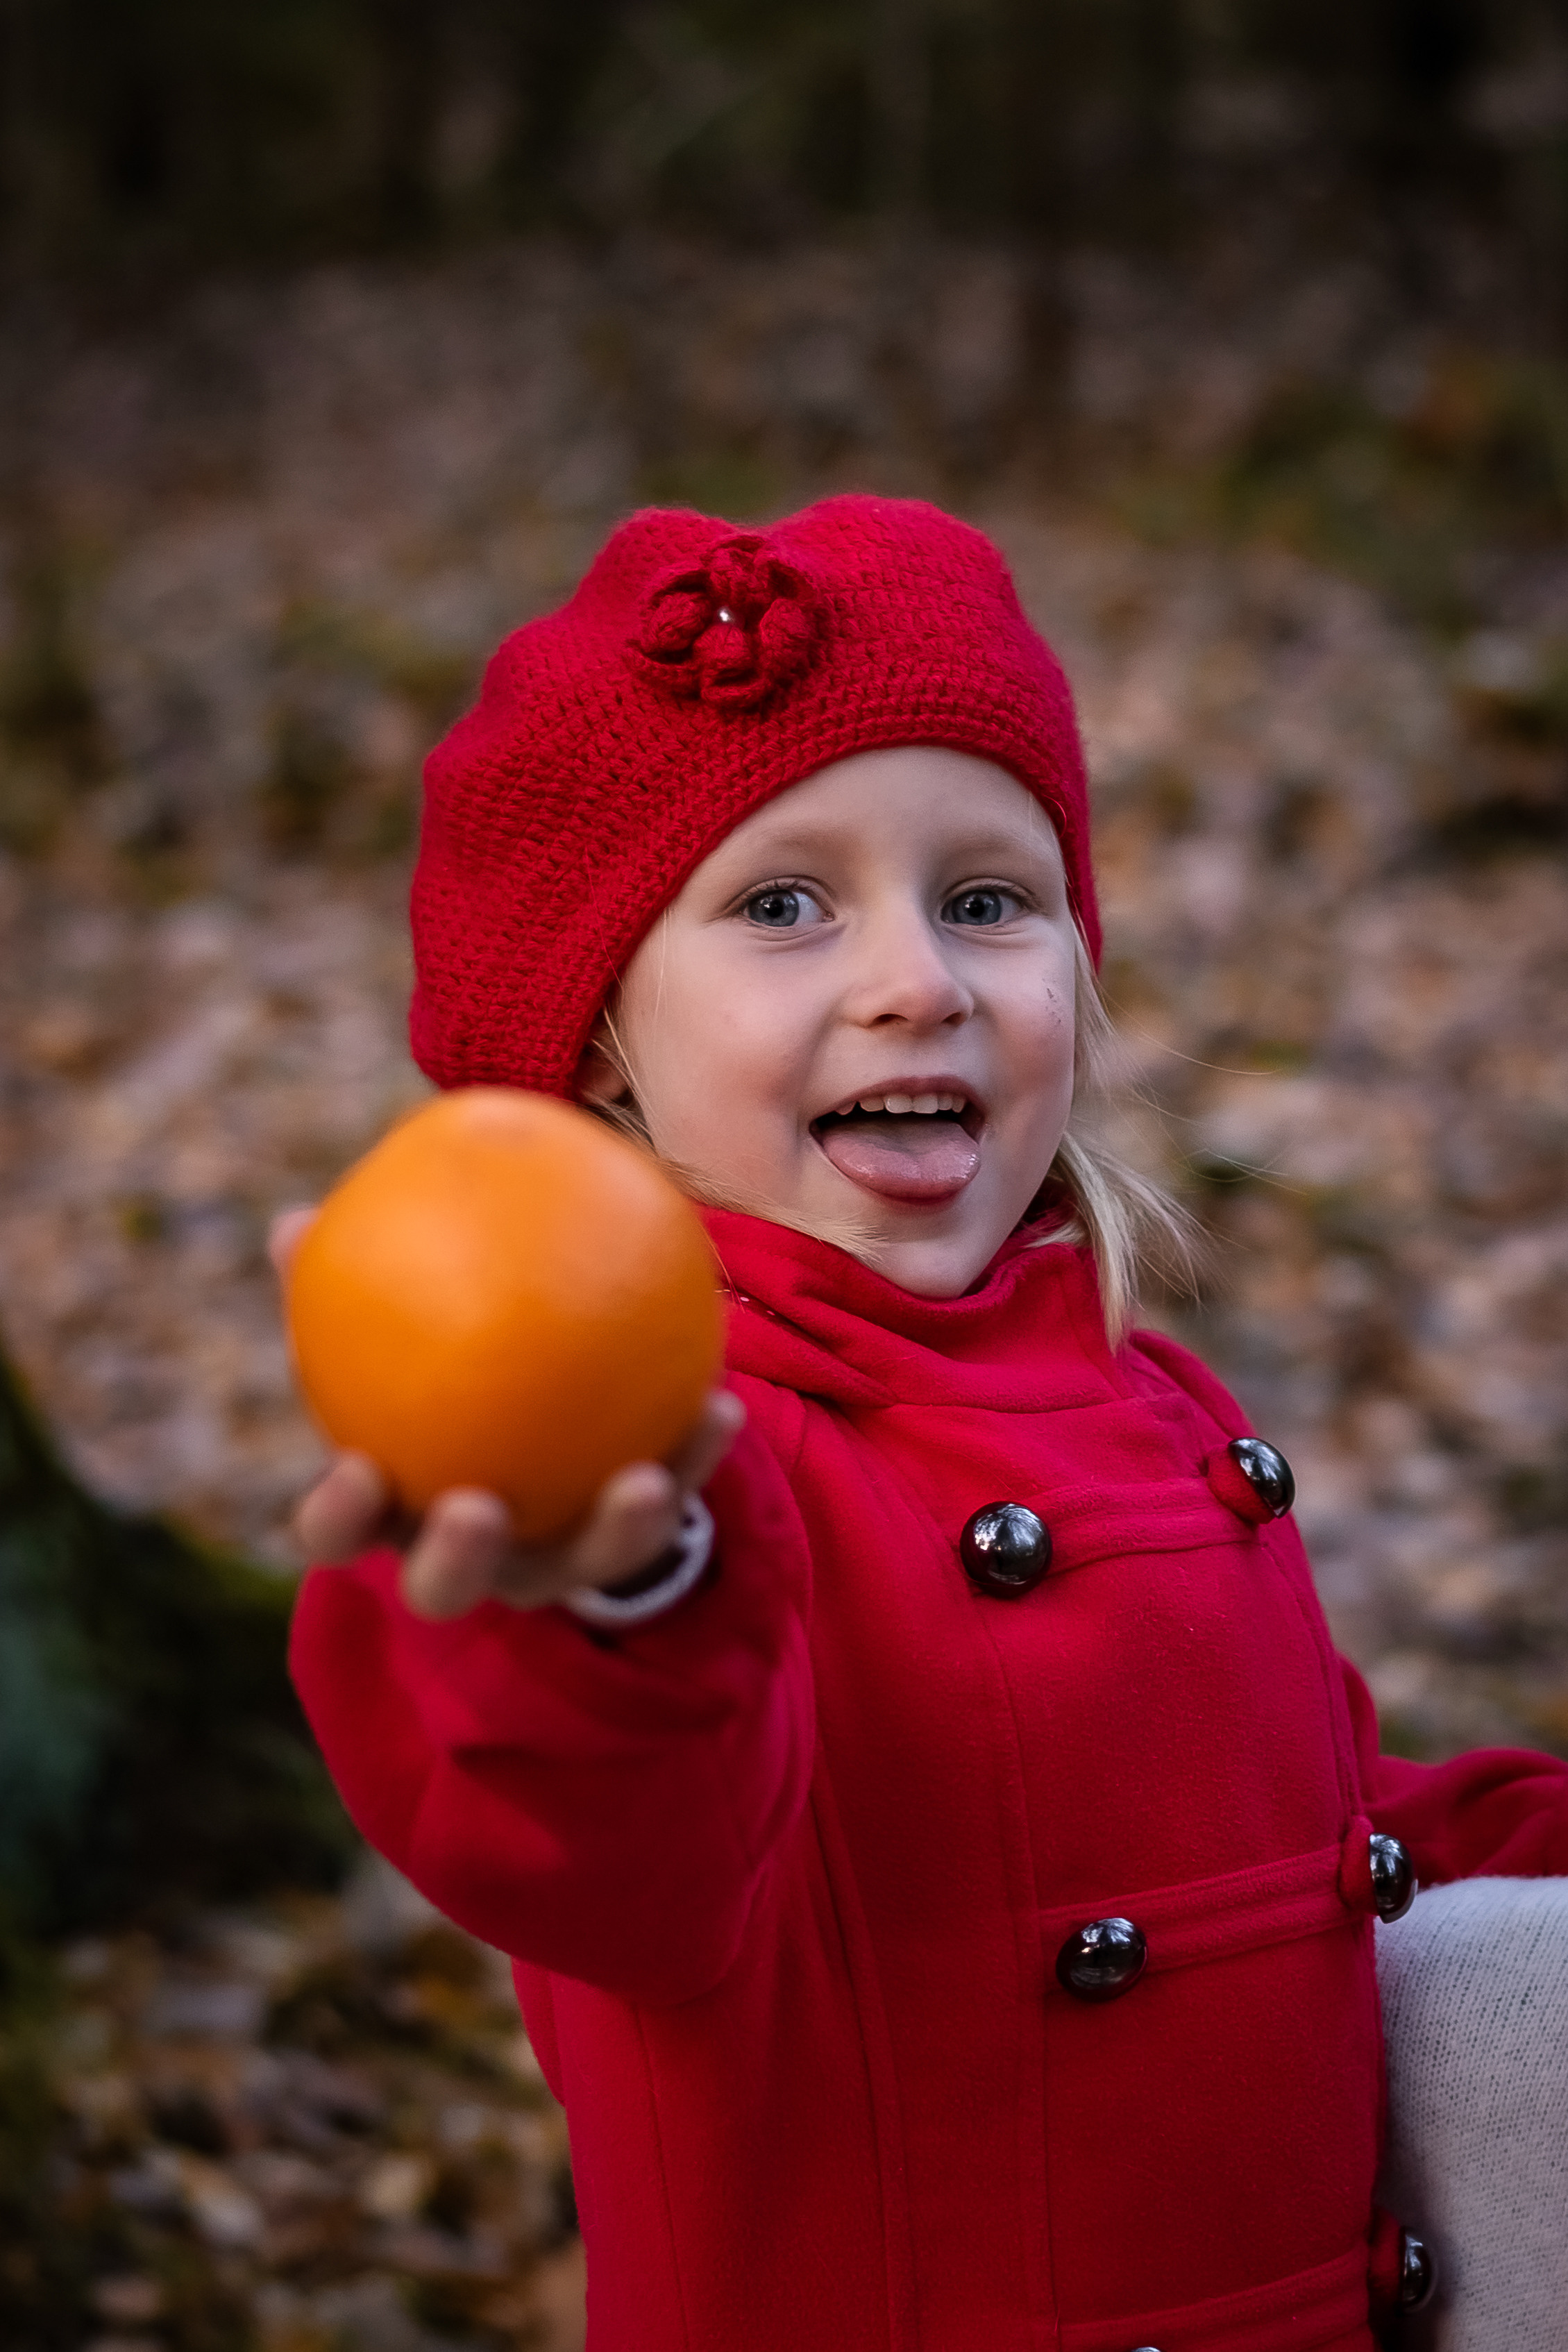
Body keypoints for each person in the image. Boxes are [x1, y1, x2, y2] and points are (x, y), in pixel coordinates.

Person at [283, 496, 1568, 2352]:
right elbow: (600, 1835)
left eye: (985, 899)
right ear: (599, 1039)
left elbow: (1332, 1842)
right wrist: (599, 1582)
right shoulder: (674, 1467)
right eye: (781, 904)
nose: (919, 981)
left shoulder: (1151, 1407)